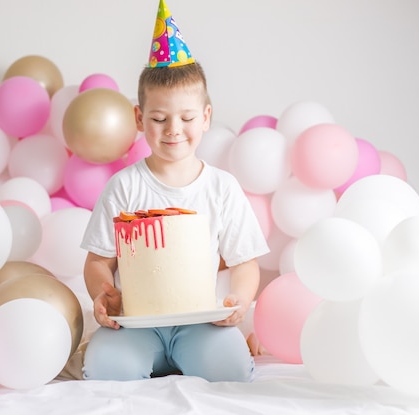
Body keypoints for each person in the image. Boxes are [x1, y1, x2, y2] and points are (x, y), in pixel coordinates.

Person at [80, 0, 269, 382]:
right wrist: (103, 293)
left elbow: (244, 261)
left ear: (206, 117)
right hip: (137, 323)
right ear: (138, 118)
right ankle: (151, 358)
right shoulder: (124, 187)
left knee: (230, 370)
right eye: (159, 118)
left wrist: (241, 301)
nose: (173, 130)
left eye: (186, 118)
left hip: (200, 322)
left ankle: (219, 348)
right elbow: (99, 261)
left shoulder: (221, 188)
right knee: (105, 368)